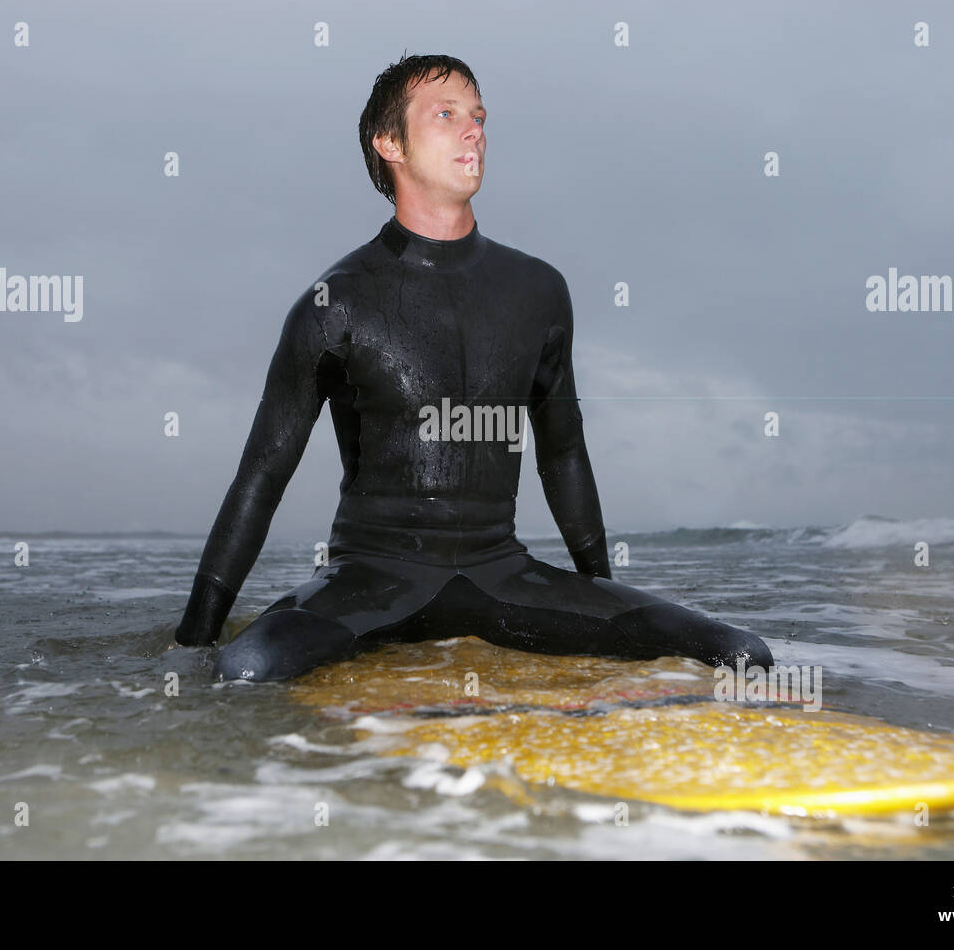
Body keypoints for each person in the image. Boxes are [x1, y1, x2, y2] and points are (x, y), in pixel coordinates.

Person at [174, 53, 774, 680]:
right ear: (389, 143)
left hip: (503, 578)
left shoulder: (537, 289)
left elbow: (563, 453)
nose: (474, 130)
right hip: (372, 582)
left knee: (742, 655)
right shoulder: (337, 302)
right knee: (244, 670)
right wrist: (193, 645)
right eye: (447, 114)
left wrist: (603, 599)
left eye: (479, 116)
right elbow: (262, 476)